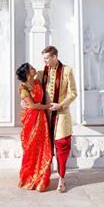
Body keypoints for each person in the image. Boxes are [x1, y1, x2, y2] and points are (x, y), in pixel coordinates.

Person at [38, 46, 77, 193]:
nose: (45, 62)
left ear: (54, 57)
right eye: (44, 59)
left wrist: (60, 105)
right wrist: (24, 101)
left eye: (47, 58)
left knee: (61, 146)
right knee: (45, 147)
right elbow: (29, 87)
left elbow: (73, 93)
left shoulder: (67, 71)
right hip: (45, 116)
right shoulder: (42, 72)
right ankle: (44, 177)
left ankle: (61, 179)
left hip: (61, 114)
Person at [16, 63, 53, 192]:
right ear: (27, 73)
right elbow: (32, 106)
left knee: (43, 147)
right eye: (31, 68)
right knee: (31, 147)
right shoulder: (23, 87)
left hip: (41, 119)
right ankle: (30, 178)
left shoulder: (38, 82)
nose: (34, 69)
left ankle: (42, 179)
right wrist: (49, 106)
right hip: (31, 119)